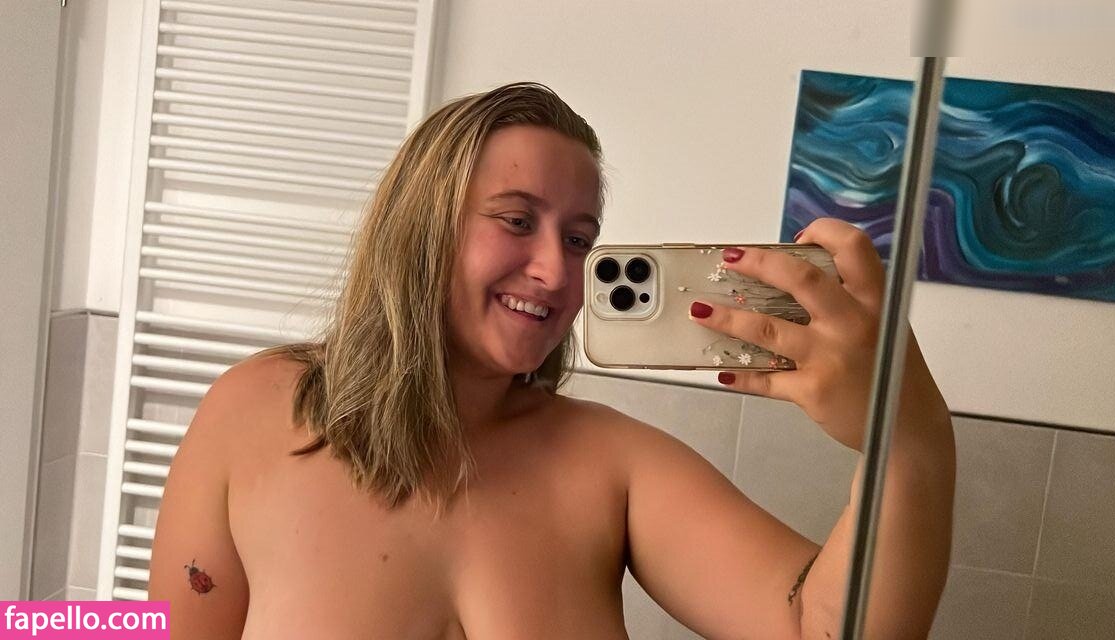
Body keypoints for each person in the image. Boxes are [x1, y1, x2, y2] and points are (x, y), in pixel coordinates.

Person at [148, 82, 955, 639]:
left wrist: (909, 441)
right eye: (516, 220)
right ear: (420, 229)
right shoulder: (254, 410)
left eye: (578, 239)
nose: (555, 271)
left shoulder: (611, 464)